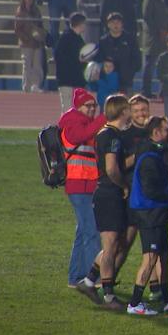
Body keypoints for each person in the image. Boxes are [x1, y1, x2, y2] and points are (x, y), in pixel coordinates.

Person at [74, 95, 132, 310]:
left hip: (107, 193)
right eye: (128, 109)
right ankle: (108, 296)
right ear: (122, 111)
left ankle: (89, 282)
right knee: (110, 246)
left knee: (114, 244)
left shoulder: (109, 133)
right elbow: (111, 169)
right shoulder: (111, 136)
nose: (130, 113)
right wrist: (123, 185)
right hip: (109, 193)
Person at [126, 116, 168, 315]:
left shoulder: (154, 153)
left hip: (156, 212)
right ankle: (134, 303)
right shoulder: (150, 158)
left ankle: (167, 299)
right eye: (166, 130)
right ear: (156, 133)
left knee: (164, 254)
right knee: (150, 258)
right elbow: (152, 189)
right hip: (149, 213)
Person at [58, 89, 106, 287]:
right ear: (78, 107)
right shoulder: (72, 122)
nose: (93, 109)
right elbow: (81, 136)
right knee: (91, 231)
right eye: (88, 106)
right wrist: (104, 118)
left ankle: (75, 277)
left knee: (83, 231)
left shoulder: (84, 122)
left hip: (86, 184)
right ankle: (93, 278)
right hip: (78, 184)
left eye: (95, 106)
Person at [141, 0, 168, 98]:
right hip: (153, 38)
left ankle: (163, 90)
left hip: (166, 37)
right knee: (149, 65)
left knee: (164, 64)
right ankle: (146, 90)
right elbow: (147, 17)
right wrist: (158, 31)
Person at [98, 12, 142, 95]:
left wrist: (129, 72)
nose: (115, 25)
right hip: (108, 82)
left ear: (122, 24)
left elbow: (137, 59)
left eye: (118, 22)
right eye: (112, 22)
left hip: (125, 83)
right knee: (106, 107)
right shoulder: (103, 41)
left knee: (125, 106)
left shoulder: (130, 40)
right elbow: (100, 59)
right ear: (108, 25)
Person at [14, 0, 46, 93]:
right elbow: (17, 29)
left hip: (37, 42)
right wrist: (26, 38)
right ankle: (26, 86)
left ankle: (35, 85)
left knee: (37, 64)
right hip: (26, 43)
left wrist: (39, 35)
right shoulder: (20, 12)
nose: (29, 0)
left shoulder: (36, 10)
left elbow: (40, 24)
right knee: (27, 65)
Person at [54, 13, 88, 111]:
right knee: (68, 109)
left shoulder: (77, 38)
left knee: (77, 108)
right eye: (84, 23)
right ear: (80, 24)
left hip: (75, 79)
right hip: (67, 79)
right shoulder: (67, 38)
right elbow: (60, 57)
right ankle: (66, 127)